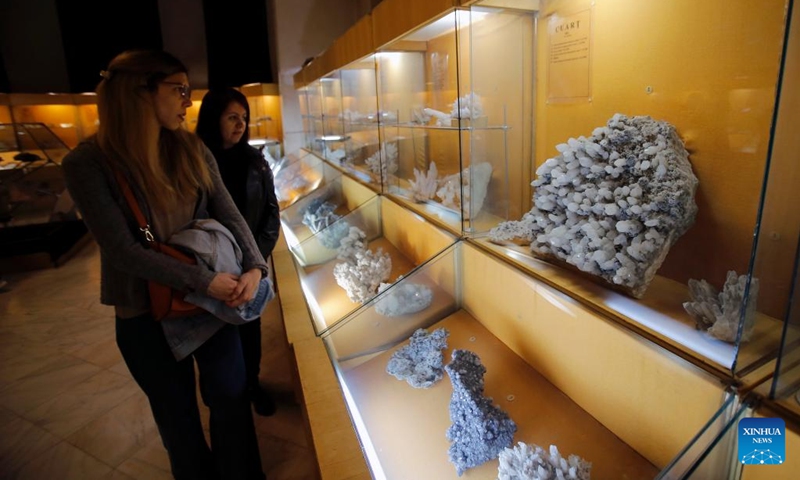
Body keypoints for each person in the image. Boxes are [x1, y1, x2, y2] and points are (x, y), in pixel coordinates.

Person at [62, 49, 266, 480]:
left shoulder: (190, 148)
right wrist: (205, 281)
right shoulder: (87, 163)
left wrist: (254, 267)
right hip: (145, 311)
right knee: (178, 420)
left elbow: (228, 212)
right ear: (139, 92)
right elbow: (124, 251)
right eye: (178, 90)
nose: (187, 102)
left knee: (231, 398)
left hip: (210, 304)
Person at [195, 88, 281, 417]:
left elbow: (271, 214)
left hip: (249, 265)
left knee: (250, 327)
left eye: (244, 118)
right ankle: (228, 395)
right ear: (213, 118)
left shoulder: (255, 161)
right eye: (232, 117)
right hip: (212, 265)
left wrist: (255, 262)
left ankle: (254, 384)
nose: (240, 124)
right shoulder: (196, 162)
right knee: (216, 332)